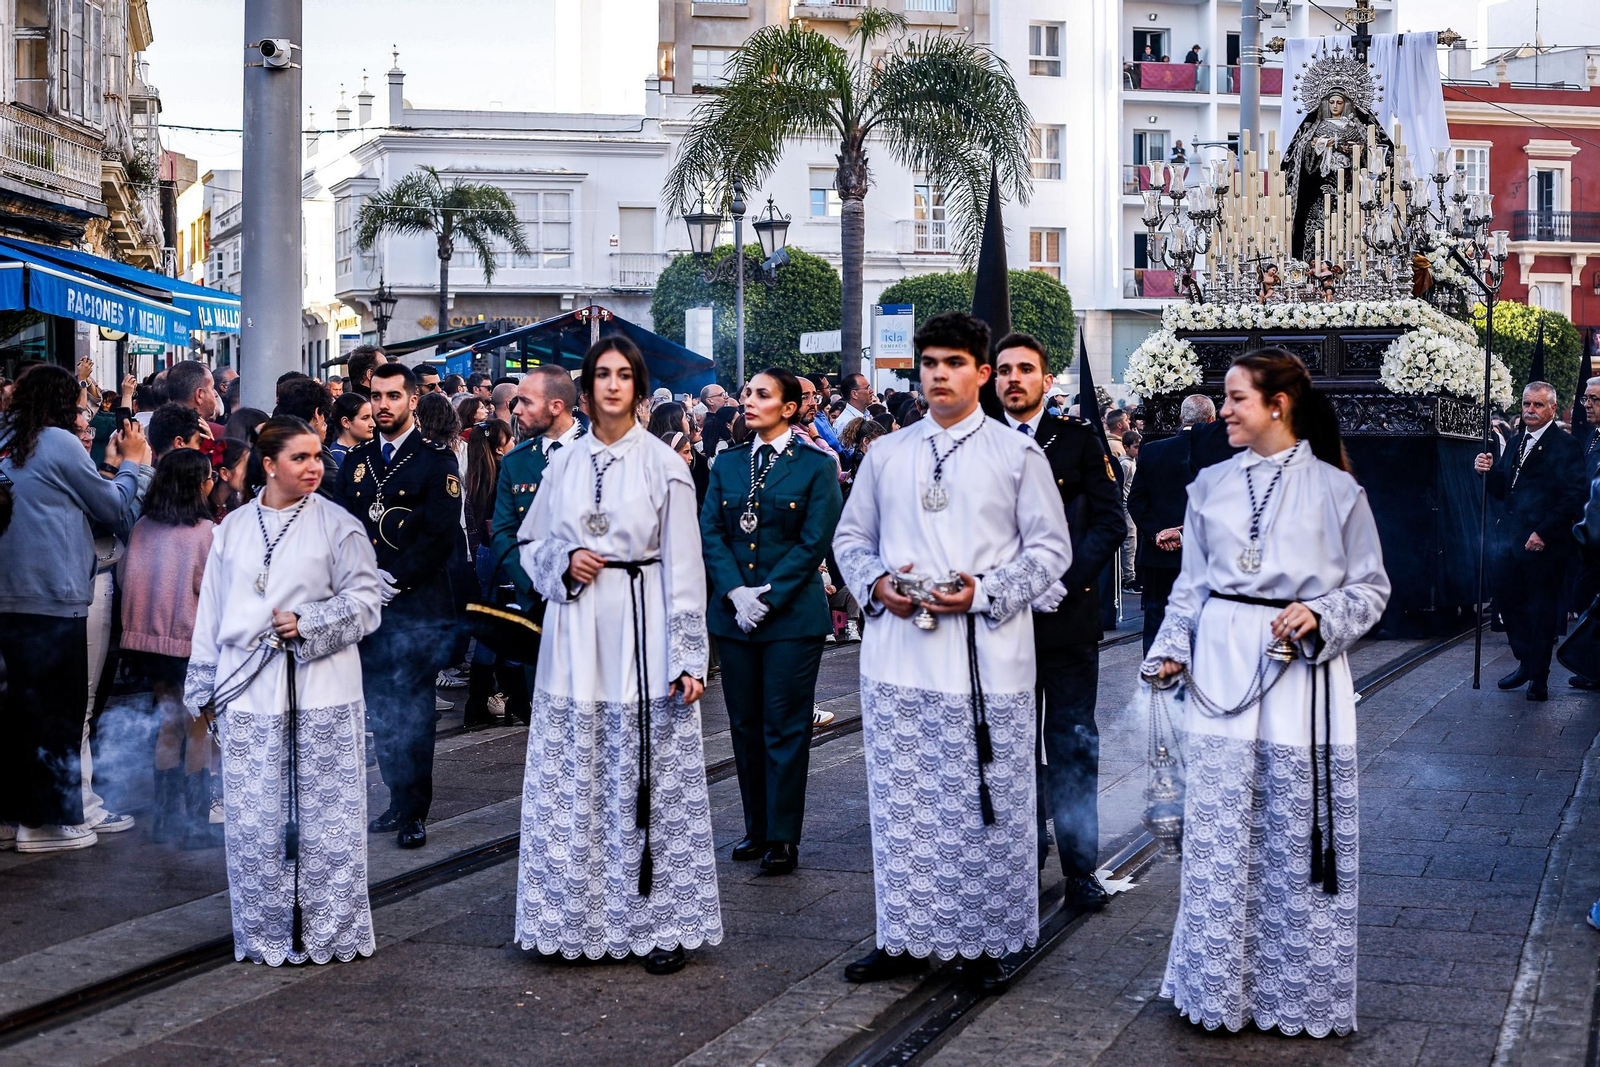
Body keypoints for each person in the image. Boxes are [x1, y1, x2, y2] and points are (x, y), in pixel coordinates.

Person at [1145, 349, 1389, 1037]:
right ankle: (1217, 987)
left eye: (1235, 398)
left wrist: (1322, 615)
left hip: (1300, 672)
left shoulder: (1339, 491)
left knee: (1293, 834)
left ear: (1277, 404)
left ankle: (1298, 994)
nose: (1223, 409)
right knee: (1220, 835)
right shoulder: (1209, 485)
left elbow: (1372, 586)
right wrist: (1169, 651)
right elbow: (1190, 585)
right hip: (1222, 659)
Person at [832, 311, 1071, 989]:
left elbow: (1052, 552)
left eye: (954, 363)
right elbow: (851, 540)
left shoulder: (1016, 453)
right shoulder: (885, 453)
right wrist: (877, 583)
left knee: (981, 803)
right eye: (930, 362)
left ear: (983, 373)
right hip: (899, 651)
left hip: (985, 654)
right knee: (902, 802)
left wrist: (983, 591)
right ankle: (902, 935)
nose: (939, 374)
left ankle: (986, 939)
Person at [513, 336, 719, 976]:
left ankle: (663, 923)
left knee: (648, 779)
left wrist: (688, 657)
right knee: (580, 776)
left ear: (637, 384)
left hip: (644, 623)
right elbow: (530, 541)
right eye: (601, 374)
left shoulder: (665, 464)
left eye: (623, 375)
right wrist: (561, 562)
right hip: (576, 632)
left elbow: (685, 566)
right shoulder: (564, 464)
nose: (611, 386)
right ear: (585, 385)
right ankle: (573, 919)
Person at [185, 416, 384, 965]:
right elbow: (211, 613)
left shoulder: (339, 525)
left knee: (327, 819)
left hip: (322, 689)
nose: (315, 466)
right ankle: (266, 932)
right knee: (254, 819)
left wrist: (310, 622)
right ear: (268, 465)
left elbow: (367, 604)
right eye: (300, 457)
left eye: (318, 455)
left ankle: (329, 931)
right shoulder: (232, 528)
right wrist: (203, 687)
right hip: (248, 689)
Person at [993, 334, 1125, 914]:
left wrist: (1062, 581)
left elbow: (1110, 522)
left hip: (1066, 618)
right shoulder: (981, 442)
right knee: (1007, 745)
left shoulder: (1076, 440)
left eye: (1026, 370)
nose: (1014, 379)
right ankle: (1019, 855)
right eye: (1004, 370)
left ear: (1047, 380)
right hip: (1001, 622)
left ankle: (1080, 868)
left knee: (1072, 743)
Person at [0, 365, 149, 853]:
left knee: (18, 713)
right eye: (79, 405)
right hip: (53, 597)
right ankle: (44, 826)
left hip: (11, 596)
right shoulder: (58, 443)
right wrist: (133, 466)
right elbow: (112, 507)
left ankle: (13, 819)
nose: (85, 412)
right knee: (56, 713)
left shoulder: (8, 441)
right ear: (63, 404)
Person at [701, 367, 843, 877]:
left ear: (788, 408)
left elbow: (814, 540)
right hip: (735, 614)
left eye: (762, 394)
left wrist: (770, 595)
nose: (749, 400)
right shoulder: (730, 463)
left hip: (791, 618)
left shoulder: (814, 466)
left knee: (784, 726)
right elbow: (712, 530)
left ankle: (782, 836)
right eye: (746, 392)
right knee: (744, 726)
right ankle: (755, 827)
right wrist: (735, 593)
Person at [338, 363, 468, 850]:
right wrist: (363, 576)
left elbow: (440, 532)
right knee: (381, 710)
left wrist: (397, 576)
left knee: (412, 713)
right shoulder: (356, 461)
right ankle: (395, 798)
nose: (383, 405)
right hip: (368, 606)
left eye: (394, 395)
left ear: (413, 401)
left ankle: (415, 810)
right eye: (376, 396)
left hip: (415, 607)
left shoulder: (436, 460)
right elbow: (345, 526)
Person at [119, 448, 218, 848]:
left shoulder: (142, 526)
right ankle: (195, 825)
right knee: (198, 728)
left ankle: (164, 820)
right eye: (208, 476)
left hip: (146, 643)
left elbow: (128, 579)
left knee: (168, 722)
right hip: (189, 643)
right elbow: (215, 593)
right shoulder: (204, 534)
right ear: (198, 485)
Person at [1474, 381, 1587, 700]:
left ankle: (1539, 677)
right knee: (1507, 601)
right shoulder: (1515, 442)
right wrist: (1486, 472)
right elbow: (1504, 490)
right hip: (1510, 538)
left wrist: (1544, 532)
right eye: (1526, 405)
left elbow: (1573, 497)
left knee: (1540, 609)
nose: (1530, 411)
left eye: (1538, 405)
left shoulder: (1565, 446)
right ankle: (1526, 659)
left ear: (1553, 408)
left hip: (1545, 543)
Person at [489, 365, 585, 719]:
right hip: (539, 608)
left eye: (525, 402)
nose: (515, 410)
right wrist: (537, 581)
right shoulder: (517, 461)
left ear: (556, 406)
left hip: (597, 607)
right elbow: (503, 532)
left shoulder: (603, 449)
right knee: (548, 720)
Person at [1127, 395, 1238, 652]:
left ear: (1180, 418)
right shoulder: (1222, 454)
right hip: (1206, 555)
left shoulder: (1152, 449)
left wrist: (1157, 533)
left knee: (1157, 620)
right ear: (1211, 420)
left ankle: (1156, 678)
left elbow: (1136, 501)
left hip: (1159, 555)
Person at [461, 418, 525, 730]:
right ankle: (513, 696)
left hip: (483, 555)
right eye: (509, 438)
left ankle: (477, 700)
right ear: (500, 445)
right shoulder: (504, 472)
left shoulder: (474, 475)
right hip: (503, 554)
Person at [326, 392, 374, 470]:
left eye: (371, 417)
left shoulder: (367, 450)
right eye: (365, 418)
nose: (373, 424)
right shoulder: (337, 457)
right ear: (345, 422)